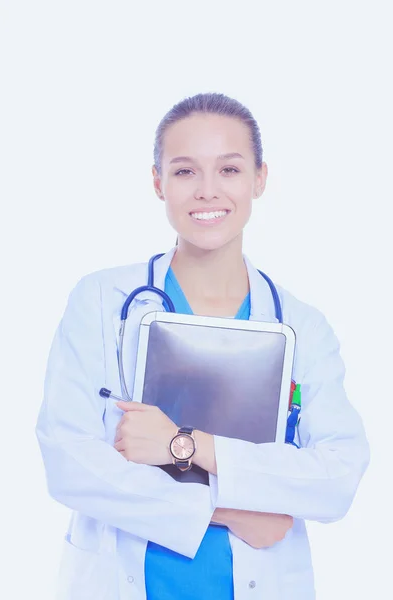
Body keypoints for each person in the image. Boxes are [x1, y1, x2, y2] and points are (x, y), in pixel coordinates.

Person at [35, 92, 370, 600]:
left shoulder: (303, 326)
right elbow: (68, 462)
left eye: (230, 170)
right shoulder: (102, 302)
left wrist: (183, 446)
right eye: (186, 171)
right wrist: (235, 509)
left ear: (260, 178)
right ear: (158, 183)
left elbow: (338, 477)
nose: (207, 191)